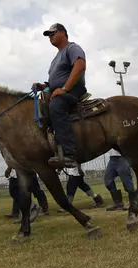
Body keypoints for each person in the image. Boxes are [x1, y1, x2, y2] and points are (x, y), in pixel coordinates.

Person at [32, 23, 87, 168]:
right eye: (48, 35)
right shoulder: (55, 58)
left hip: (73, 90)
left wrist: (64, 88)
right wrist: (44, 87)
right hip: (58, 91)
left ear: (62, 32)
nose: (50, 37)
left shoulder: (72, 48)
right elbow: (54, 81)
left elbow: (80, 65)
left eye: (52, 33)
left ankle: (69, 153)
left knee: (56, 106)